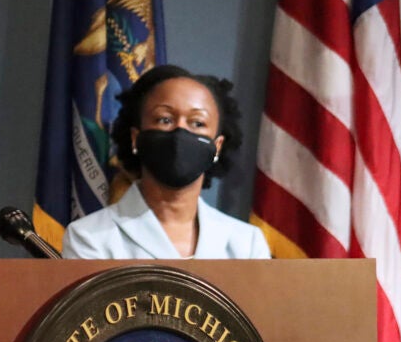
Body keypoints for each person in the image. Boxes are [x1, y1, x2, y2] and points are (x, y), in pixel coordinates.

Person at [62, 64, 270, 260]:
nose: (180, 131)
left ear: (217, 146)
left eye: (197, 123)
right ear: (135, 138)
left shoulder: (247, 244)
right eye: (165, 119)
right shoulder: (90, 237)